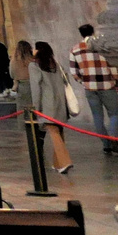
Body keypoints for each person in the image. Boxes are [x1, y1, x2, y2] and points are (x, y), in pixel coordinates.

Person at [71, 23, 118, 154]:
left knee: (97, 116)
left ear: (81, 34)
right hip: (107, 85)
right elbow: (113, 66)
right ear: (93, 32)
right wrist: (117, 79)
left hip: (90, 88)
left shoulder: (75, 49)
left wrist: (83, 81)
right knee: (114, 114)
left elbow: (74, 72)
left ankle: (106, 144)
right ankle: (113, 137)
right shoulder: (103, 47)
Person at [29, 40, 75, 173]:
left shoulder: (34, 66)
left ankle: (65, 162)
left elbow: (36, 88)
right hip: (60, 103)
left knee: (54, 133)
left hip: (47, 105)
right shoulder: (56, 64)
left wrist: (36, 108)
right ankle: (58, 163)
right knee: (59, 132)